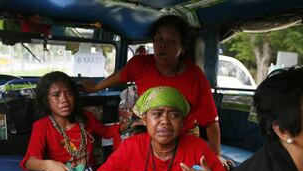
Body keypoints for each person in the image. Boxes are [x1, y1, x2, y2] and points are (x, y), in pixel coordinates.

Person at [63, 86, 226, 171]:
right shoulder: (132, 146)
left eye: (174, 115)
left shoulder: (198, 149)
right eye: (157, 113)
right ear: (144, 119)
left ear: (182, 122)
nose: (165, 121)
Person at [82, 15, 221, 157]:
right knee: (124, 154)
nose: (163, 45)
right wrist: (95, 88)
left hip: (184, 136)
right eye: (159, 39)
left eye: (171, 40)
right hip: (150, 132)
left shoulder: (195, 76)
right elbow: (120, 75)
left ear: (183, 47)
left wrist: (216, 156)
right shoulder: (140, 64)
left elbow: (210, 121)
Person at [20, 71, 124, 171]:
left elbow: (107, 132)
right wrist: (51, 165)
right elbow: (30, 161)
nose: (64, 100)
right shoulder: (42, 126)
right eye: (56, 95)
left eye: (68, 93)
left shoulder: (86, 117)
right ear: (46, 100)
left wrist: (130, 125)